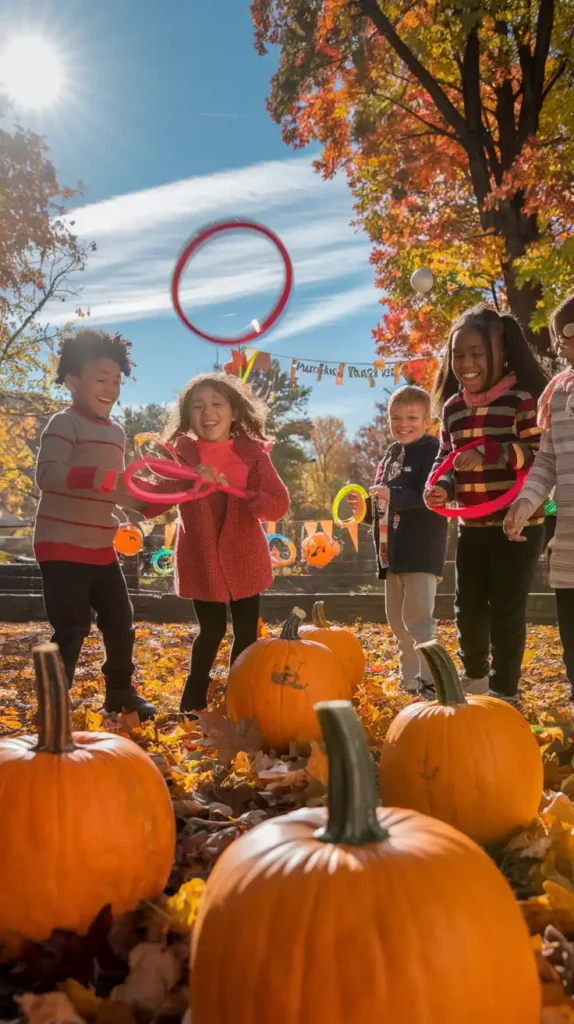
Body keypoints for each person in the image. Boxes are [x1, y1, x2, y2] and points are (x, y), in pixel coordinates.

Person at [138, 372, 290, 715]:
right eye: (198, 405)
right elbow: (152, 501)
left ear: (234, 412)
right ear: (188, 416)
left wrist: (254, 499)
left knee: (247, 633)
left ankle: (240, 695)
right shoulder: (182, 455)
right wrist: (191, 483)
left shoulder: (253, 454)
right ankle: (192, 701)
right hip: (202, 561)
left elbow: (279, 502)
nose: (208, 411)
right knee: (211, 630)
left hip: (246, 560)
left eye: (217, 403)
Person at [425, 303, 548, 704]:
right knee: (468, 609)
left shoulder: (520, 401)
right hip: (472, 527)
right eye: (458, 355)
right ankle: (475, 682)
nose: (466, 363)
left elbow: (536, 454)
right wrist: (441, 488)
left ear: (501, 352)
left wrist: (493, 452)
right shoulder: (453, 410)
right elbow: (446, 460)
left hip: (517, 527)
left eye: (476, 353)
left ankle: (505, 691)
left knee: (506, 611)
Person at [34, 328, 156, 719]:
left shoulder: (117, 434)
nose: (110, 388)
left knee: (121, 623)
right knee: (71, 629)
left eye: (116, 380)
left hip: (100, 548)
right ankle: (54, 701)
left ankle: (119, 690)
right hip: (61, 545)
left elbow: (116, 489)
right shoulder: (64, 423)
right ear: (72, 382)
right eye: (100, 379)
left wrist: (147, 504)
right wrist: (101, 480)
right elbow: (49, 475)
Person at [350, 385, 448, 694]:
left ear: (428, 420)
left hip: (420, 552)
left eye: (411, 417)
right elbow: (383, 507)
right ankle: (410, 683)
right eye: (396, 417)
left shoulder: (433, 451)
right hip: (391, 555)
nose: (402, 424)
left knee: (418, 621)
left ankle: (433, 683)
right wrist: (364, 510)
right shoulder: (390, 455)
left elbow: (428, 497)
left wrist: (392, 494)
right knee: (397, 623)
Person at [504, 292, 574, 700]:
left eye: (565, 333)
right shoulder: (558, 393)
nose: (559, 343)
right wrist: (526, 501)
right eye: (556, 336)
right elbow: (545, 462)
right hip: (568, 547)